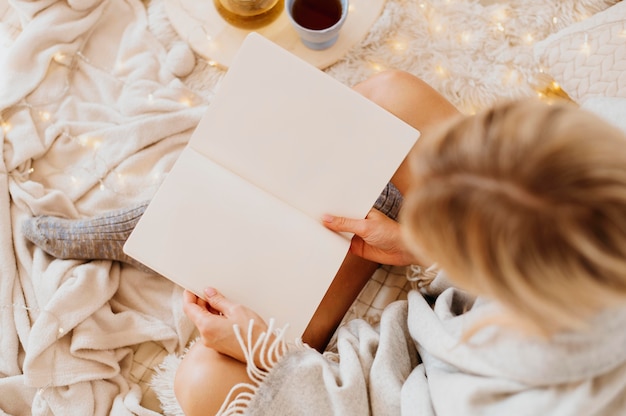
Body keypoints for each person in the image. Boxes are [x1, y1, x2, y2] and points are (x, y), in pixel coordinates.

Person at [22, 70, 626, 415]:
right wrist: (420, 241)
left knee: (202, 383)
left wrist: (264, 351)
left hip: (411, 374)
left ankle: (187, 228)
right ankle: (234, 216)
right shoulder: (609, 147)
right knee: (392, 99)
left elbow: (382, 405)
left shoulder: (508, 397)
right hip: (527, 260)